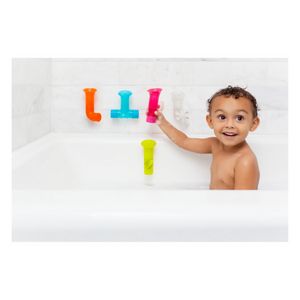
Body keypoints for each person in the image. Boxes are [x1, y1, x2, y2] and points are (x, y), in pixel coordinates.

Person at [152, 85, 261, 190]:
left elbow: (244, 205)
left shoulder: (245, 162)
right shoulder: (215, 145)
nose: (229, 125)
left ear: (253, 124)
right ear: (210, 121)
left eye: (239, 118)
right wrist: (162, 122)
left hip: (227, 208)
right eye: (222, 117)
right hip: (213, 206)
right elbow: (184, 142)